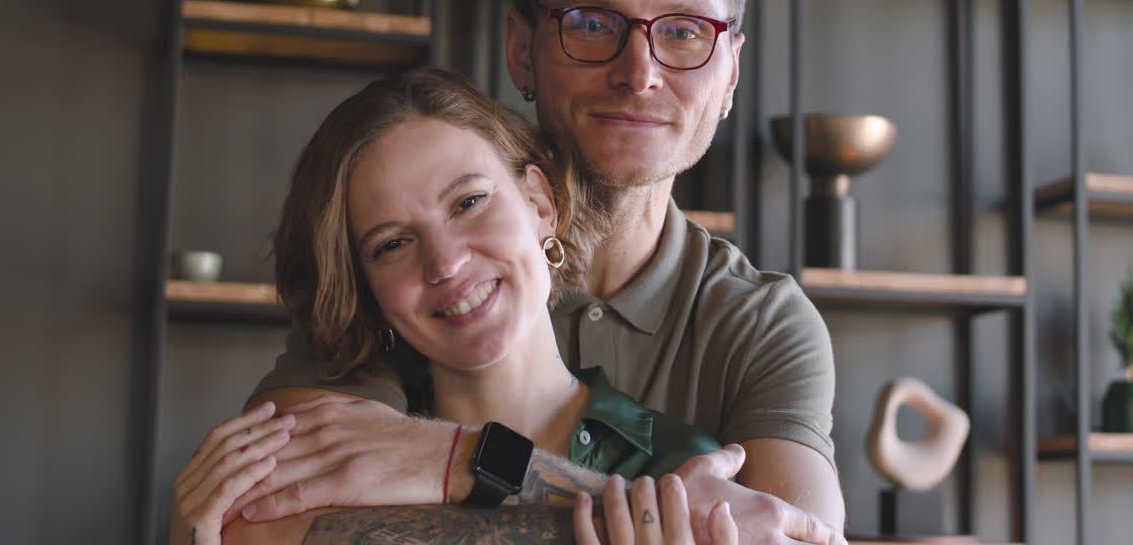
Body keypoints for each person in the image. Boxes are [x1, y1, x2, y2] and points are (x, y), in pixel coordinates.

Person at [185, 0, 845, 544]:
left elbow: (791, 537)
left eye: (683, 31)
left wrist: (451, 462)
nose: (639, 72)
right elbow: (262, 522)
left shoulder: (761, 322)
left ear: (729, 73)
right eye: (593, 24)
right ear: (522, 51)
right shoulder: (420, 284)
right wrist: (501, 468)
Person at [171, 70, 741, 545]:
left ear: (540, 203)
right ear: (367, 289)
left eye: (469, 202)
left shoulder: (683, 466)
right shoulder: (337, 460)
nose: (444, 264)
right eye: (392, 244)